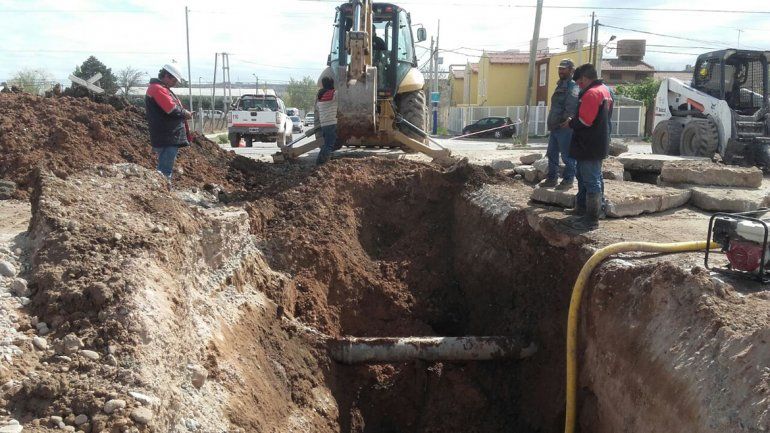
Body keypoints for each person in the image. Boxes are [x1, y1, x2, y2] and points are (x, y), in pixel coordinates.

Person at [564, 63, 613, 230]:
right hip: (597, 142)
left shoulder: (592, 94)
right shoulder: (605, 90)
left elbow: (585, 121)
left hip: (589, 144)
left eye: (579, 83)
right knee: (589, 176)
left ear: (584, 79)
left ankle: (591, 219)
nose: (578, 86)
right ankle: (583, 209)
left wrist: (571, 123)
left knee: (591, 180)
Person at [145, 63, 192, 186]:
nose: (175, 83)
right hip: (167, 136)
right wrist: (185, 113)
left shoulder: (160, 88)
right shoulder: (157, 89)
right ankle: (163, 194)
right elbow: (171, 109)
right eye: (174, 80)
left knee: (165, 169)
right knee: (165, 171)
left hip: (167, 135)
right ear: (167, 76)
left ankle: (162, 193)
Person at [542, 59, 579, 190]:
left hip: (564, 126)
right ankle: (552, 179)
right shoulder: (560, 84)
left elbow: (571, 107)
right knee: (551, 153)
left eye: (564, 68)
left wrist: (566, 121)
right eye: (560, 68)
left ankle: (568, 180)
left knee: (567, 156)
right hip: (555, 126)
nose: (561, 71)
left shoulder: (573, 86)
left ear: (571, 70)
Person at [316, 76, 338, 165]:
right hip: (331, 123)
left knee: (326, 144)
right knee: (329, 145)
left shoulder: (320, 97)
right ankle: (322, 163)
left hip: (323, 124)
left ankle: (319, 162)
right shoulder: (334, 94)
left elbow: (318, 108)